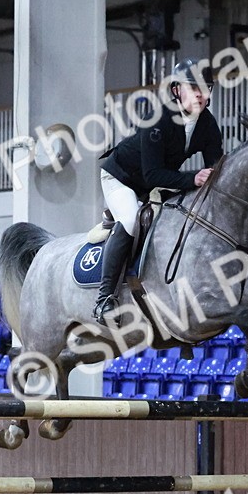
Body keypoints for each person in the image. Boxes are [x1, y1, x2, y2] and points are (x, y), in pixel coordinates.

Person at [93, 57, 224, 324]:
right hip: (122, 177)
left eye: (206, 88)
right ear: (177, 90)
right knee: (130, 219)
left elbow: (216, 167)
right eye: (194, 88)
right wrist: (193, 178)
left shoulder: (208, 124)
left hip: (155, 183)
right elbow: (152, 174)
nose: (200, 94)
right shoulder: (158, 119)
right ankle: (104, 299)